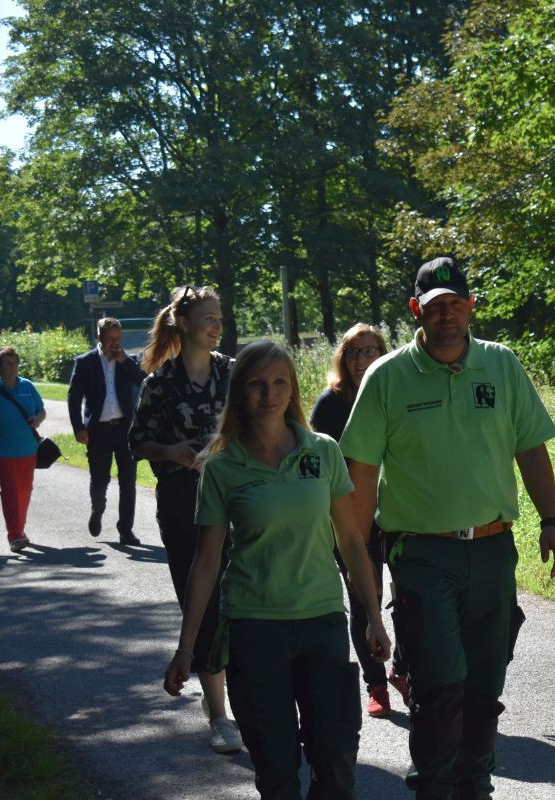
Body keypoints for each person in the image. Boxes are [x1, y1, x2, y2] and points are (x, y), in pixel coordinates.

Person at [341, 257, 555, 800]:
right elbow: (362, 477)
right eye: (435, 306)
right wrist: (359, 559)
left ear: (470, 306)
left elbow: (530, 449)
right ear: (417, 310)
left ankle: (475, 784)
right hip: (422, 554)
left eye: (456, 304)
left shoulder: (502, 365)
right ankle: (434, 787)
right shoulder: (387, 376)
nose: (447, 315)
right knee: (441, 683)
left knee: (486, 681)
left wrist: (551, 520)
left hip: (493, 548)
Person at [164, 340, 391, 799]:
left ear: (293, 389)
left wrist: (373, 617)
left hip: (322, 621)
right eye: (257, 384)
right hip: (254, 629)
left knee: (336, 763)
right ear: (240, 393)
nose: (269, 394)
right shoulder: (222, 464)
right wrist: (186, 649)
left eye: (279, 383)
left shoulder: (322, 451)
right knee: (277, 770)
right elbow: (206, 562)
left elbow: (351, 540)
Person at [129, 285, 242, 755]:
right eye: (209, 318)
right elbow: (137, 442)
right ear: (185, 324)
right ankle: (218, 714)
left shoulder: (234, 374)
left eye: (220, 318)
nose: (217, 325)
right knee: (204, 607)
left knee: (247, 602)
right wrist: (171, 451)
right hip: (182, 507)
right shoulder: (160, 382)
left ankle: (257, 703)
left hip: (238, 502)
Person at [309, 323, 410, 718]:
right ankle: (376, 684)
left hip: (401, 511)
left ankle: (402, 670)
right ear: (342, 358)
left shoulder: (399, 393)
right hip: (350, 517)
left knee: (407, 598)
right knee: (363, 600)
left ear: (382, 354)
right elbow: (319, 465)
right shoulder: (330, 404)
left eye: (369, 351)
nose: (360, 360)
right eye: (353, 352)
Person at [67, 317, 147, 545]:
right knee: (100, 480)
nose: (115, 343)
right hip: (98, 431)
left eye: (118, 338)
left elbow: (145, 381)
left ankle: (126, 530)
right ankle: (97, 510)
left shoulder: (127, 360)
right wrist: (78, 428)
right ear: (99, 337)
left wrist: (125, 361)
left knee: (128, 482)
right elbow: (74, 398)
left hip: (124, 429)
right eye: (111, 338)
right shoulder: (85, 362)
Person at [0, 346, 46, 553]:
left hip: (28, 449)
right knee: (11, 491)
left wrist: (36, 420)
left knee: (25, 490)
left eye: (15, 363)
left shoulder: (27, 386)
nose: (13, 368)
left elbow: (42, 411)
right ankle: (14, 535)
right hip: (2, 451)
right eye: (8, 364)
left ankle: (19, 530)